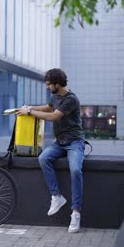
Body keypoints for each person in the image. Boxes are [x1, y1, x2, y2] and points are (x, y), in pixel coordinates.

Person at [16, 68, 85, 233]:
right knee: (43, 158)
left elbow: (53, 116)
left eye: (49, 85)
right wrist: (30, 107)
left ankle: (76, 212)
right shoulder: (56, 96)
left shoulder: (71, 99)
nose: (47, 87)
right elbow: (48, 107)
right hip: (59, 142)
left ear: (57, 84)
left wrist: (30, 112)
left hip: (75, 142)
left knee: (75, 170)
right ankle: (57, 196)